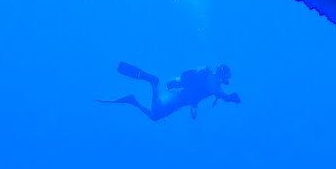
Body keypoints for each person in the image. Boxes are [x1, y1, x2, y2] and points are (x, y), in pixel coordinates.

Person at [98, 61, 240, 120]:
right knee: (155, 116)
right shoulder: (216, 87)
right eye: (227, 77)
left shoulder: (207, 74)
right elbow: (224, 96)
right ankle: (151, 84)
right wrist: (232, 98)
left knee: (155, 115)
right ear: (223, 75)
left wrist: (193, 106)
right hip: (179, 99)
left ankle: (134, 99)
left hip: (180, 96)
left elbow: (188, 83)